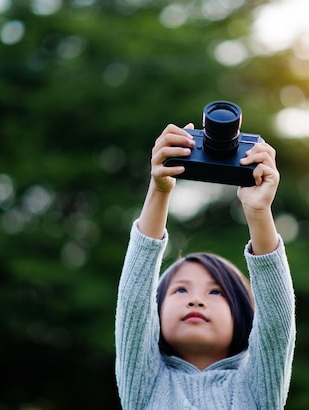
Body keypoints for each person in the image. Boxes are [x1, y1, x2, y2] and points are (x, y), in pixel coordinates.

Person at [115, 123, 296, 409]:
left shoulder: (257, 389)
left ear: (241, 315)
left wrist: (259, 211)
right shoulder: (145, 384)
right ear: (156, 312)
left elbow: (277, 320)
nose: (196, 300)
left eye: (215, 292)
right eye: (180, 290)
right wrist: (159, 189)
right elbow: (134, 302)